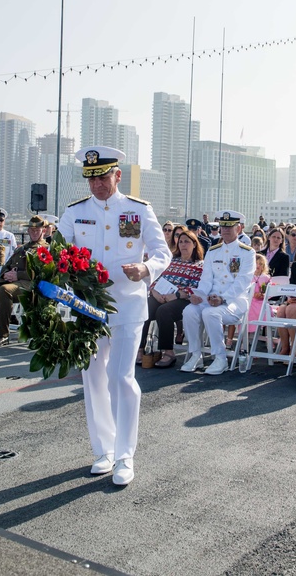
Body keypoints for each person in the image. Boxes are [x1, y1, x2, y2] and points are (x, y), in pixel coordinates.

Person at [58, 146, 171, 486]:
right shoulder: (74, 212)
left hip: (126, 305)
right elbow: (56, 252)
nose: (97, 186)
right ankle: (103, 450)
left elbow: (162, 252)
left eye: (103, 178)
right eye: (91, 180)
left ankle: (125, 455)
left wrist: (146, 267)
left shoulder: (137, 209)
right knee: (92, 378)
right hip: (87, 309)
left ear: (117, 175)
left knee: (121, 377)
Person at [181, 210, 256, 375]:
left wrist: (223, 298)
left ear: (239, 228)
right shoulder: (213, 251)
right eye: (223, 226)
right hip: (211, 299)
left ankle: (220, 358)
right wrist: (199, 295)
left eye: (230, 226)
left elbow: (242, 281)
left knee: (210, 314)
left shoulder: (247, 252)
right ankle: (196, 355)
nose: (226, 230)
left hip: (234, 301)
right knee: (189, 311)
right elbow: (206, 279)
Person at [141, 230, 204, 368]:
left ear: (194, 244)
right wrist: (155, 292)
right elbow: (155, 279)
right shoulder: (171, 262)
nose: (183, 244)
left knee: (164, 311)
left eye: (187, 241)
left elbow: (197, 288)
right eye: (180, 241)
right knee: (144, 307)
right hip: (160, 295)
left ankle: (168, 352)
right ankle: (140, 348)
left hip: (182, 299)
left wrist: (175, 295)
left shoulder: (200, 266)